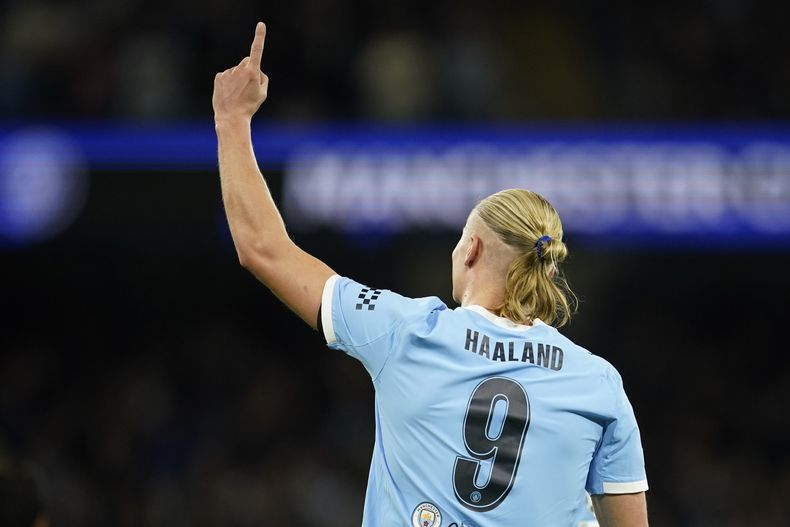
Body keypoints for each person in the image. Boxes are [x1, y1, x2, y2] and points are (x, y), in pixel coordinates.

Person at [212, 22, 649, 527]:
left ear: (472, 249)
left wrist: (232, 121)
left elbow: (262, 249)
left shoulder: (407, 331)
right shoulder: (598, 383)